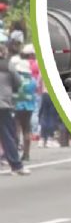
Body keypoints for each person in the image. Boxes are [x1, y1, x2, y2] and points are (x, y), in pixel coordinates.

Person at [0, 46, 29, 175]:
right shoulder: (7, 65)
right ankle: (16, 166)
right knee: (8, 136)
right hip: (3, 104)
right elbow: (18, 82)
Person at [10, 43, 36, 162]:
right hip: (29, 106)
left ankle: (14, 153)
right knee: (27, 130)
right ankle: (27, 154)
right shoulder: (32, 80)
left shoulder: (16, 78)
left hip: (17, 105)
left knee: (16, 129)